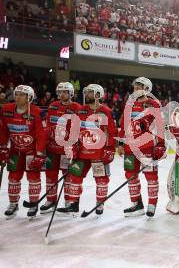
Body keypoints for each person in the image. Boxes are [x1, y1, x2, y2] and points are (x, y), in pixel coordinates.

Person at [57, 84, 117, 216]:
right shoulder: (82, 110)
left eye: (90, 92)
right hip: (82, 153)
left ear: (98, 95)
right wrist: (72, 144)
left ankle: (99, 205)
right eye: (87, 92)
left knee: (101, 180)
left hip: (99, 154)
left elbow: (112, 132)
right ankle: (73, 204)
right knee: (74, 177)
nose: (87, 95)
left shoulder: (106, 111)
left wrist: (110, 149)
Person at [118, 77, 166, 218]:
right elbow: (123, 125)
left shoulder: (154, 104)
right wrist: (120, 144)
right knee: (130, 176)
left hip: (147, 147)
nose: (136, 89)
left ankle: (152, 205)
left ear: (147, 89)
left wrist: (161, 145)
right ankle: (136, 204)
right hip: (129, 148)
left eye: (139, 87)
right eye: (135, 87)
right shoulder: (129, 104)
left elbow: (160, 126)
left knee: (151, 177)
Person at [0, 85, 46, 219]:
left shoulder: (37, 112)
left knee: (33, 179)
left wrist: (39, 154)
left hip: (32, 151)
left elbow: (42, 136)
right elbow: (3, 131)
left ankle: (33, 203)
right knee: (13, 178)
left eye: (22, 94)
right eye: (17, 94)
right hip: (15, 151)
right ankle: (13, 204)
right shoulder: (6, 109)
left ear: (29, 97)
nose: (18, 96)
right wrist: (3, 148)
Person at [40, 82, 81, 214]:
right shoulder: (53, 106)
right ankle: (51, 200)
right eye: (60, 92)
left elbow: (79, 129)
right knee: (50, 175)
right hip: (52, 148)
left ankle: (69, 202)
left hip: (67, 149)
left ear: (71, 94)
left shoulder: (76, 107)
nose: (62, 94)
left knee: (68, 176)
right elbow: (48, 126)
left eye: (65, 92)